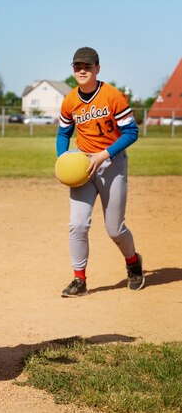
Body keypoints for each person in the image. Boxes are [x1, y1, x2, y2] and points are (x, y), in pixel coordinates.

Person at [56, 46, 144, 297]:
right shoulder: (70, 100)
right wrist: (63, 159)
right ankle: (79, 279)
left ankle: (133, 262)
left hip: (111, 164)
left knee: (114, 228)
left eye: (87, 66)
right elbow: (63, 133)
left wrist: (104, 154)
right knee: (77, 224)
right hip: (83, 166)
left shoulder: (113, 96)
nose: (82, 71)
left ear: (97, 69)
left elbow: (131, 132)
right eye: (77, 66)